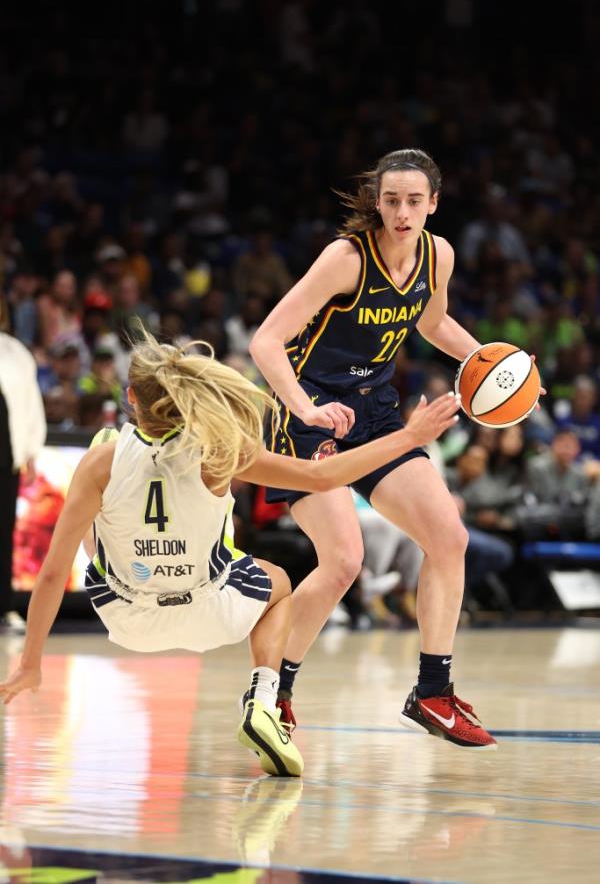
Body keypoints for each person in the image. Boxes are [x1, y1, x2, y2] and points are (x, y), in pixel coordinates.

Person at [0, 326, 460, 777]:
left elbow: (52, 571)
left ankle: (131, 545)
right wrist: (408, 438)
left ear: (130, 398)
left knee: (102, 489)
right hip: (209, 609)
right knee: (279, 585)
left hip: (126, 615)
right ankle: (264, 698)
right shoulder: (219, 450)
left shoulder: (101, 461)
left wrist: (30, 663)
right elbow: (324, 477)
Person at [249, 147, 533, 750]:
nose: (403, 213)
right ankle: (275, 693)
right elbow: (266, 341)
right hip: (306, 413)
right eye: (392, 200)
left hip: (376, 411)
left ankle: (432, 691)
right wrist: (307, 408)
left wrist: (497, 363)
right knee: (344, 561)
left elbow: (432, 325)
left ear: (434, 203)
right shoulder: (345, 259)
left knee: (449, 538)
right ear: (377, 203)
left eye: (414, 201)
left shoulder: (439, 256)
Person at [0, 302, 47, 630]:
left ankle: (5, 607)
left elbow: (31, 403)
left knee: (5, 534)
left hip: (7, 456)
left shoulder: (16, 353)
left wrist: (31, 449)